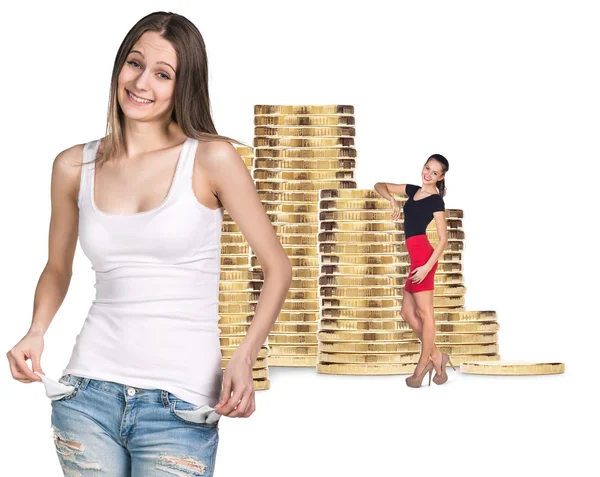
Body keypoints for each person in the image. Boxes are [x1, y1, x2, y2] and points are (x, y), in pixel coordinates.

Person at [5, 11, 292, 476]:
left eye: (163, 74)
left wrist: (244, 355)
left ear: (185, 86)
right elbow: (58, 268)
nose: (142, 82)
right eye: (134, 64)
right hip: (86, 395)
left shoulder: (211, 158)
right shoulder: (73, 166)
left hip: (178, 406)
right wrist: (36, 329)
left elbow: (277, 268)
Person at [374, 154, 453, 388]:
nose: (428, 174)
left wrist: (427, 266)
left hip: (424, 259)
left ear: (441, 177)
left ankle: (422, 365)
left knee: (425, 313)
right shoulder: (413, 190)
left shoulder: (435, 201)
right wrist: (393, 200)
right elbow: (379, 185)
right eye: (427, 168)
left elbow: (443, 239)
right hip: (415, 258)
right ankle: (438, 357)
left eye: (434, 172)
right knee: (407, 313)